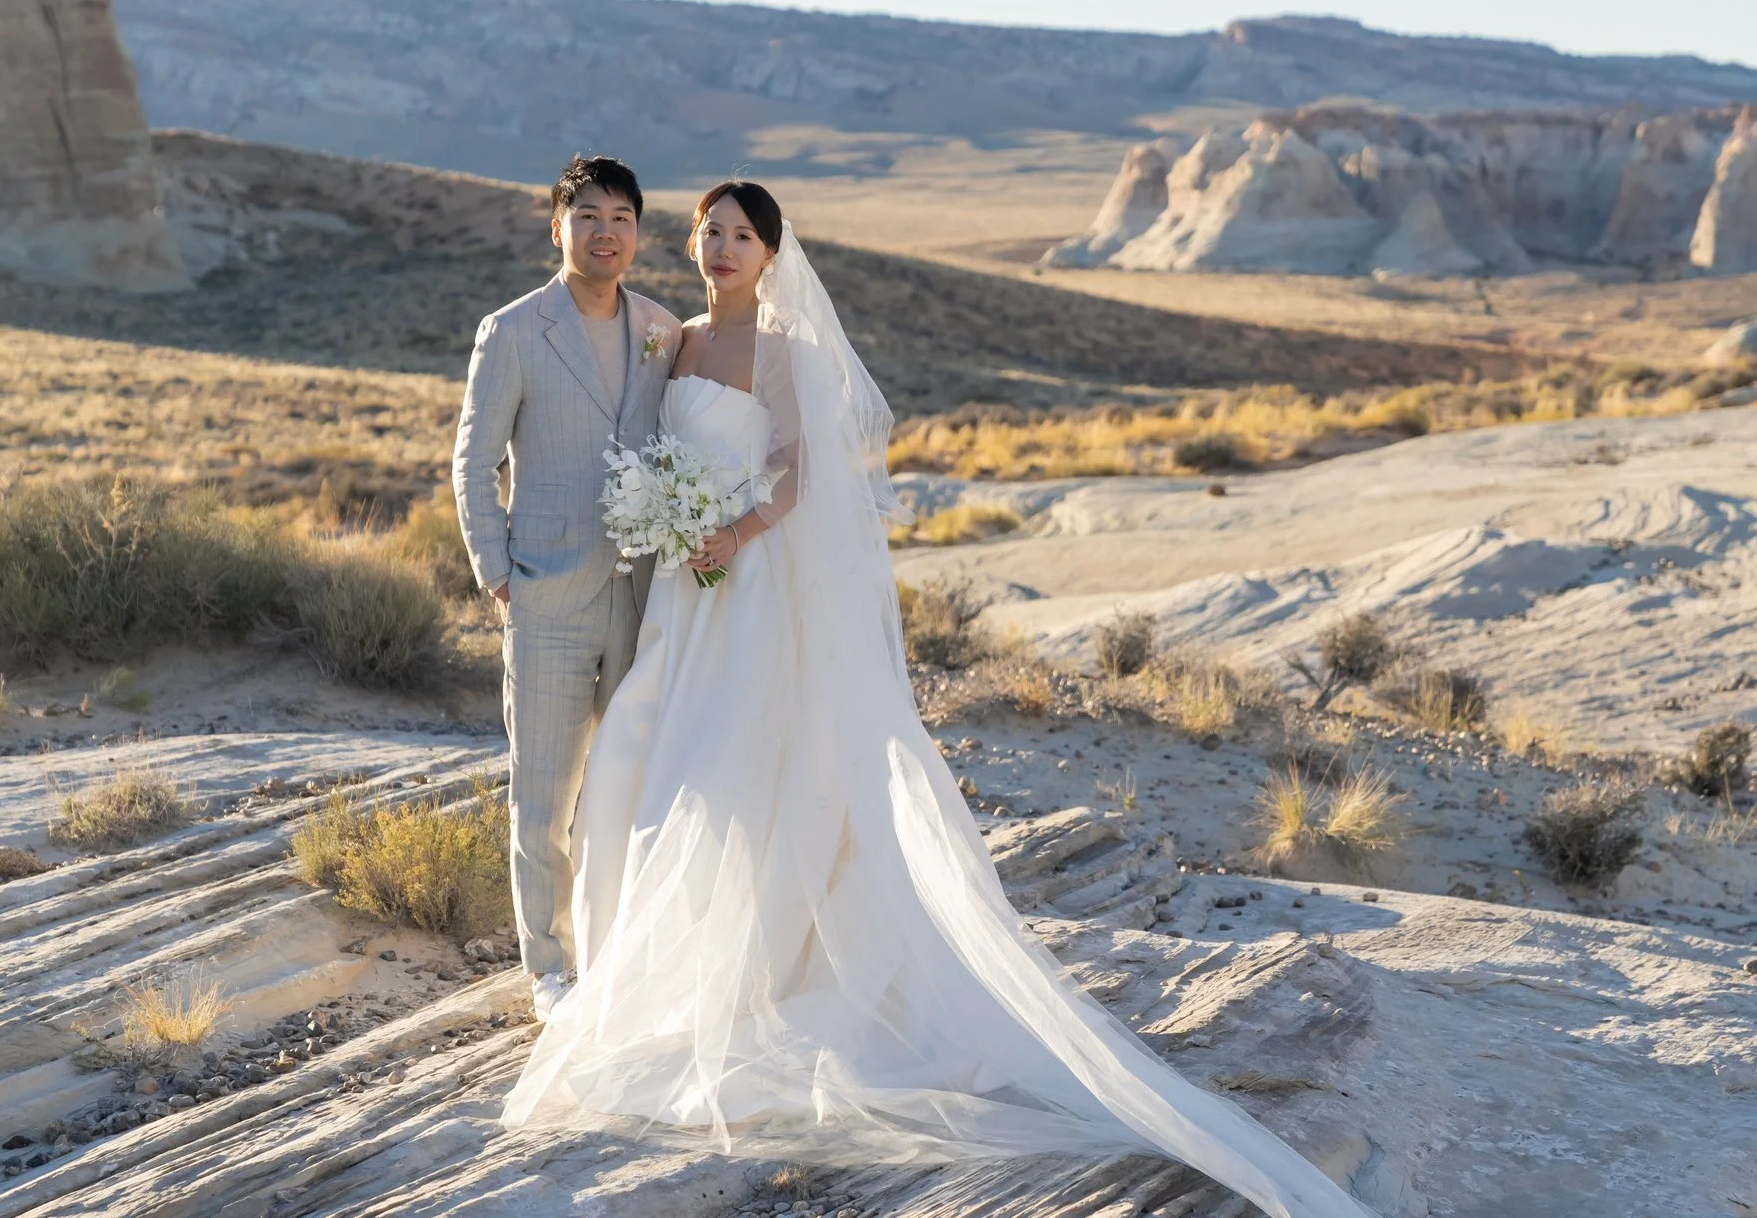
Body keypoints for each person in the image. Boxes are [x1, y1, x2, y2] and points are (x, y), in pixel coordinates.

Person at [501, 181, 1374, 1218]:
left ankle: (756, 968)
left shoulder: (787, 350)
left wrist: (730, 530)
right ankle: (633, 959)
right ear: (690, 241)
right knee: (658, 759)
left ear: (772, 254)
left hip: (750, 585)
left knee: (742, 760)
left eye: (743, 236)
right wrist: (669, 518)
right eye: (712, 231)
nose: (724, 247)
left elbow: (797, 474)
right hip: (680, 597)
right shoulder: (675, 341)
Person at [451, 154, 684, 1021]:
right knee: (543, 796)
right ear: (559, 228)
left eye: (621, 217)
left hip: (642, 597)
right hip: (545, 595)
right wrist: (498, 573)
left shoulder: (662, 330)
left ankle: (621, 952)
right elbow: (473, 464)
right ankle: (549, 969)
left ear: (638, 232)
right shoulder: (513, 330)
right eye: (588, 216)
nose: (605, 232)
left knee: (630, 788)